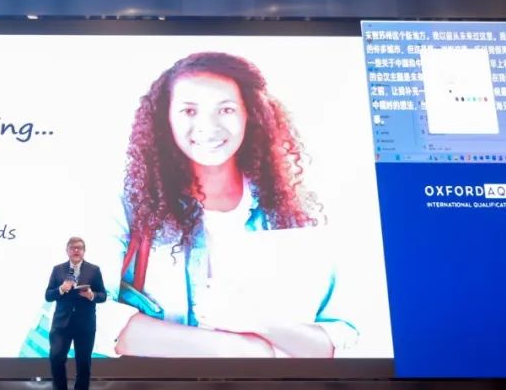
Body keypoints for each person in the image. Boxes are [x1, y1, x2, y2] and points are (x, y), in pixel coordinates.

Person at [108, 51, 357, 358]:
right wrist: (239, 349)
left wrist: (261, 323)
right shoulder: (128, 205)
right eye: (189, 111)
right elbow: (83, 315)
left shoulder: (296, 213)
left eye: (225, 109)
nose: (208, 126)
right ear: (165, 119)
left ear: (249, 113)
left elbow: (335, 340)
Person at [43, 237, 107, 390]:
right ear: (67, 251)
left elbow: (103, 295)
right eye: (72, 248)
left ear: (84, 251)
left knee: (83, 364)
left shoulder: (93, 270)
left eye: (79, 248)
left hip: (84, 324)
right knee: (56, 359)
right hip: (61, 324)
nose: (76, 251)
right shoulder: (58, 270)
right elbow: (48, 295)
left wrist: (92, 295)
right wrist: (61, 289)